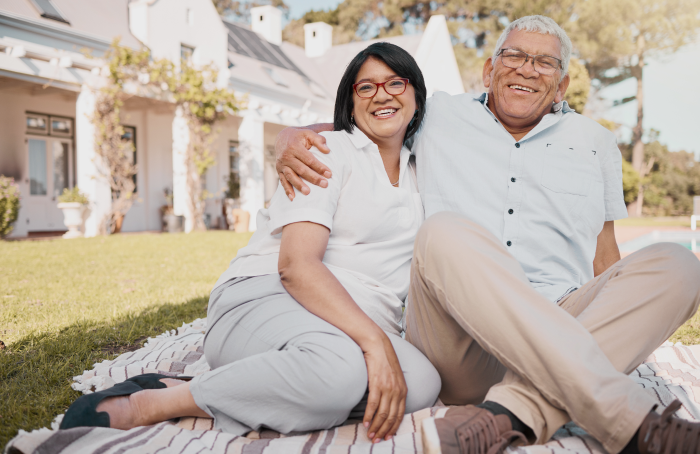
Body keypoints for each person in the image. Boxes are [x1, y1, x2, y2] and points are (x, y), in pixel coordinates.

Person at [274, 15, 700, 454]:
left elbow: (605, 257)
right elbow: (363, 124)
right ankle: (635, 423)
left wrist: (625, 330)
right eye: (513, 55)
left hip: (564, 319)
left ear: (563, 84)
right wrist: (289, 137)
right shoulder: (436, 114)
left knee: (679, 264)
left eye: (544, 62)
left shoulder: (597, 143)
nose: (527, 68)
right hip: (458, 338)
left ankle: (508, 415)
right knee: (443, 231)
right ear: (488, 71)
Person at [60, 42, 440, 443]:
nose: (382, 94)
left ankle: (286, 385)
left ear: (416, 94)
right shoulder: (326, 153)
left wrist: (374, 341)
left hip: (349, 326)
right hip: (268, 298)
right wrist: (376, 344)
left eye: (395, 82)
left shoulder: (423, 169)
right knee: (339, 374)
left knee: (422, 384)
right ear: (351, 102)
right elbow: (296, 267)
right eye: (366, 87)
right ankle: (161, 399)